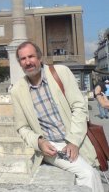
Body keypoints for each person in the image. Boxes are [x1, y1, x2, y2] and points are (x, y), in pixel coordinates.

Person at [11, 41, 103, 192]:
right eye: (23, 59)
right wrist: (39, 142)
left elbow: (79, 106)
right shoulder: (17, 91)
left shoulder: (60, 72)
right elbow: (22, 127)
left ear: (39, 57)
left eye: (31, 56)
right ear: (20, 63)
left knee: (92, 173)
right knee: (88, 174)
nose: (28, 62)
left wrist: (73, 141)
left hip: (74, 139)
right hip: (51, 147)